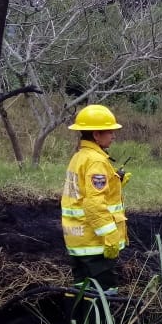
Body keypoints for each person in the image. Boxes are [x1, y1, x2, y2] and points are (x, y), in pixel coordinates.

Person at [61, 104, 129, 294]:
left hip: (77, 240)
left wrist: (116, 183)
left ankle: (78, 314)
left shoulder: (79, 157)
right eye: (110, 132)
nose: (113, 136)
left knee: (81, 292)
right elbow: (93, 204)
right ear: (96, 135)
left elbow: (84, 193)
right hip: (95, 243)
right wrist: (110, 235)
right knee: (105, 294)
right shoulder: (96, 161)